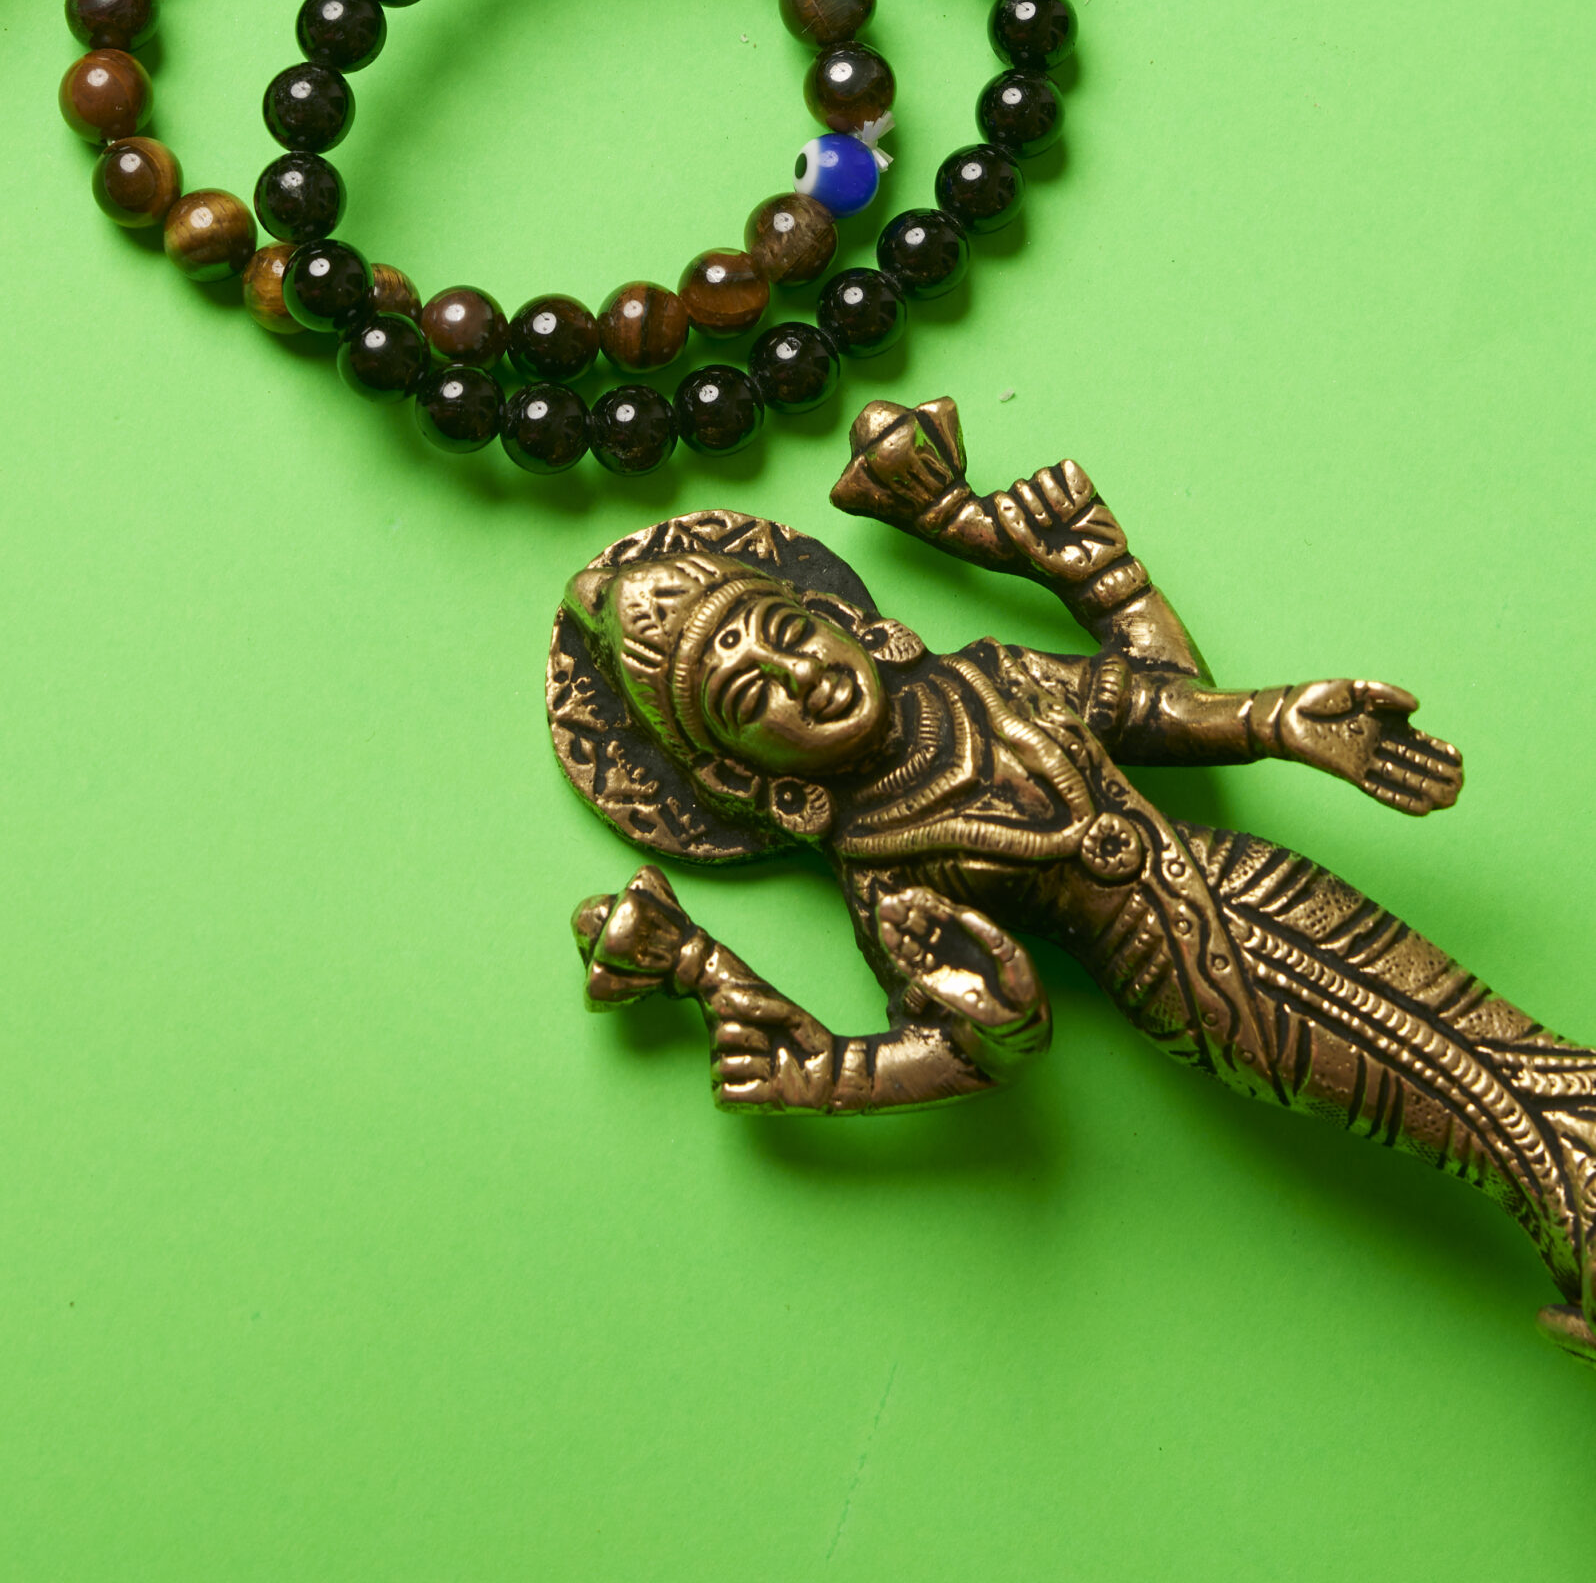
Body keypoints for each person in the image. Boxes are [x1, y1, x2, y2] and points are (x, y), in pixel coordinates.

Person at [552, 396, 1596, 1365]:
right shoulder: (881, 867)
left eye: (791, 636)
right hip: (1193, 988)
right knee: (1461, 1110)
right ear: (743, 777)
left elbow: (1154, 703)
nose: (801, 677)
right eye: (751, 697)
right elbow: (958, 1048)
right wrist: (887, 1058)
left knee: (1497, 1034)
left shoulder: (989, 677)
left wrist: (1276, 717)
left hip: (1251, 880)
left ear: (854, 625)